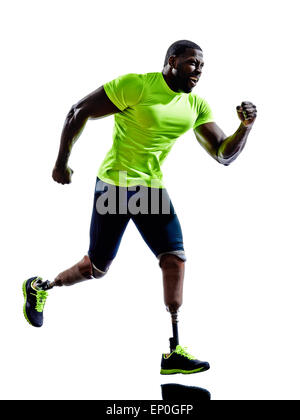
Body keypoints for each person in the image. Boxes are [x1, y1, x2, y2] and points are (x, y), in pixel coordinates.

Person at [23, 40, 257, 374]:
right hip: (115, 186)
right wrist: (61, 163)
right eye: (193, 64)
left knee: (174, 259)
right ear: (172, 61)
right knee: (95, 268)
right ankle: (40, 287)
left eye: (202, 67)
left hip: (150, 191)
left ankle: (174, 351)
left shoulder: (195, 106)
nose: (199, 72)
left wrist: (244, 128)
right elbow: (78, 111)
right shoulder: (137, 85)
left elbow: (223, 154)